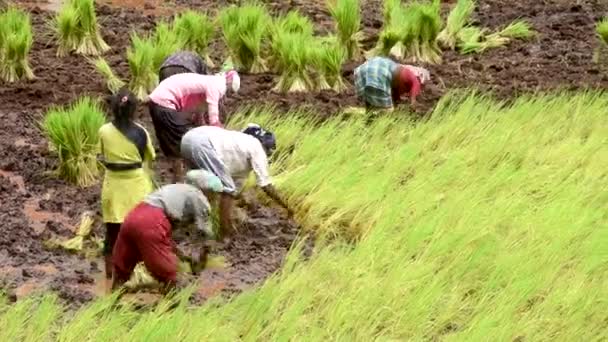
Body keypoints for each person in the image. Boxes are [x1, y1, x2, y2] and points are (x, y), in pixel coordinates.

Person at [111, 169, 223, 293]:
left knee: (122, 270)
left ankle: (109, 305)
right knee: (169, 275)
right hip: (152, 223)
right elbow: (205, 232)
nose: (215, 198)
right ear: (205, 189)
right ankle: (174, 309)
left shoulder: (175, 188)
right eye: (214, 194)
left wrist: (182, 255)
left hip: (132, 218)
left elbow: (165, 237)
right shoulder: (199, 197)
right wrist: (202, 259)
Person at [180, 123, 291, 238]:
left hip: (187, 139)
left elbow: (234, 191)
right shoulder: (257, 147)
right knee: (228, 189)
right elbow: (265, 185)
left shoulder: (239, 147)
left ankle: (186, 220)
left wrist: (241, 204)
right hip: (203, 144)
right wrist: (286, 207)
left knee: (207, 187)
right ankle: (225, 234)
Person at [98, 88, 156, 283]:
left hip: (113, 187)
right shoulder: (142, 133)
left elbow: (102, 153)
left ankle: (109, 273)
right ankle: (139, 270)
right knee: (140, 231)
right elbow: (149, 157)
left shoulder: (104, 131)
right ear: (133, 111)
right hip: (137, 187)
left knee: (112, 231)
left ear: (113, 109)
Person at [147, 71, 240, 182]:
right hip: (165, 102)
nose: (226, 96)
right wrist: (221, 139)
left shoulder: (206, 83)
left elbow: (199, 118)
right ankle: (179, 183)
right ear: (228, 86)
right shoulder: (217, 85)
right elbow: (213, 117)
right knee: (181, 145)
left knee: (172, 144)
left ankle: (177, 180)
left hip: (156, 102)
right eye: (229, 92)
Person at [354, 56, 430, 111]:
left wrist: (396, 102)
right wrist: (413, 102)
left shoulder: (398, 76)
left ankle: (369, 114)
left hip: (364, 69)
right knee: (388, 111)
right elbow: (415, 86)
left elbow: (394, 95)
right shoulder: (413, 77)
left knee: (369, 96)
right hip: (379, 71)